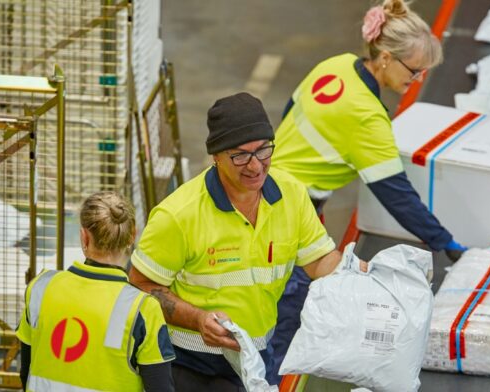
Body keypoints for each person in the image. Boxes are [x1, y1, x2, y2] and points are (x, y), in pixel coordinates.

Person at [267, 0, 467, 381]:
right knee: (288, 315)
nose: (418, 79)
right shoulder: (366, 116)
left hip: (274, 189)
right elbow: (395, 194)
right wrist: (445, 242)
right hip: (292, 211)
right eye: (415, 70)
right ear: (387, 58)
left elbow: (290, 112)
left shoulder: (336, 65)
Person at [129, 92, 366, 390]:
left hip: (254, 357)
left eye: (263, 150)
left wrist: (367, 278)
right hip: (189, 363)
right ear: (215, 156)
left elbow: (318, 260)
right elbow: (141, 285)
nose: (255, 166)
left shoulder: (290, 194)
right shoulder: (178, 215)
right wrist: (198, 319)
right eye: (240, 155)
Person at [16, 191, 175, 391]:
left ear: (84, 236)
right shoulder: (142, 309)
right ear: (132, 235)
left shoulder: (41, 288)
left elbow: (26, 371)